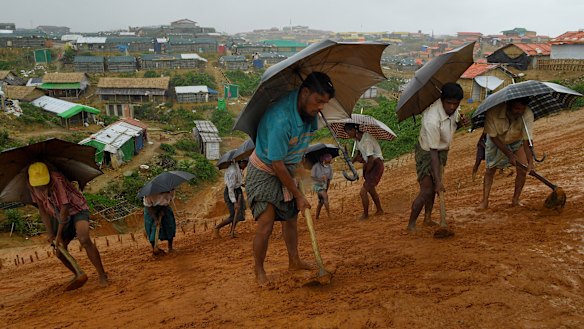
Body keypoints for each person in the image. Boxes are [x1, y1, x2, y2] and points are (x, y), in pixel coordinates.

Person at [247, 71, 335, 285]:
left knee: (291, 219)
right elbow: (276, 164)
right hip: (265, 170)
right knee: (266, 223)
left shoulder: (309, 113)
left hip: (288, 167)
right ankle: (259, 271)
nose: (321, 107)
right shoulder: (281, 119)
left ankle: (294, 261)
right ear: (305, 93)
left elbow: (300, 146)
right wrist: (298, 195)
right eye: (318, 100)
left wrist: (301, 174)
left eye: (325, 102)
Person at [27, 162, 108, 290]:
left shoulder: (57, 179)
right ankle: (78, 274)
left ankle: (102, 275)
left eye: (43, 185)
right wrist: (51, 234)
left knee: (84, 239)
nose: (41, 188)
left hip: (77, 209)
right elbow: (42, 210)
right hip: (57, 214)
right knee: (59, 252)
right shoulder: (30, 185)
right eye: (38, 186)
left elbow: (65, 209)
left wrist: (58, 235)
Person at [406, 83, 465, 233]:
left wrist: (460, 124)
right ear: (442, 100)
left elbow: (452, 126)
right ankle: (411, 224)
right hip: (427, 152)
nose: (452, 107)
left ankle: (428, 218)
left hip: (442, 150)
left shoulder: (455, 109)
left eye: (455, 104)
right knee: (427, 189)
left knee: (433, 189)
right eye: (449, 103)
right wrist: (438, 182)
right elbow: (432, 153)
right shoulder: (431, 119)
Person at [480, 97, 534, 209]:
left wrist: (530, 162)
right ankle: (484, 201)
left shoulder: (527, 113)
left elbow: (527, 140)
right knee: (490, 170)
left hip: (516, 140)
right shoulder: (493, 112)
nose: (520, 112)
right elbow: (494, 137)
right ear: (508, 106)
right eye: (517, 108)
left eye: (522, 109)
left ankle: (515, 200)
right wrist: (509, 154)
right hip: (496, 140)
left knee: (523, 169)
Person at [343, 123, 385, 220]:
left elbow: (370, 159)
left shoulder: (366, 140)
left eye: (348, 132)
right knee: (370, 189)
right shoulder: (358, 140)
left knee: (363, 192)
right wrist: (351, 162)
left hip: (376, 165)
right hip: (370, 165)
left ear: (353, 130)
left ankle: (365, 215)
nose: (347, 135)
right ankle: (379, 210)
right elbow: (359, 155)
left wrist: (367, 171)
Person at [214, 159, 248, 237]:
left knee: (239, 214)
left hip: (237, 191)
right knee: (233, 215)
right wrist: (234, 202)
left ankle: (232, 231)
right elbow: (230, 188)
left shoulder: (238, 168)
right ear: (241, 162)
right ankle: (217, 228)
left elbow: (236, 182)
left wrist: (241, 184)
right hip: (231, 193)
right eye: (245, 164)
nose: (246, 166)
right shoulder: (233, 171)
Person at [143, 189, 177, 254]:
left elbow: (169, 200)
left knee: (169, 225)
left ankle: (170, 247)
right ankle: (154, 248)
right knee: (152, 228)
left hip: (165, 207)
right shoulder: (149, 193)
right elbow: (148, 207)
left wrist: (163, 211)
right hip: (151, 209)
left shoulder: (170, 189)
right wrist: (155, 219)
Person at [311, 153, 333, 219]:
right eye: (328, 159)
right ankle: (329, 216)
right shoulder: (315, 166)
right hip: (316, 185)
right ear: (323, 159)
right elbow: (312, 178)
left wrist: (326, 188)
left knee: (321, 201)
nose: (330, 160)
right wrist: (320, 179)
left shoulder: (329, 167)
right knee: (325, 197)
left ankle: (317, 217)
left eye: (330, 159)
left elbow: (329, 180)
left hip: (324, 186)